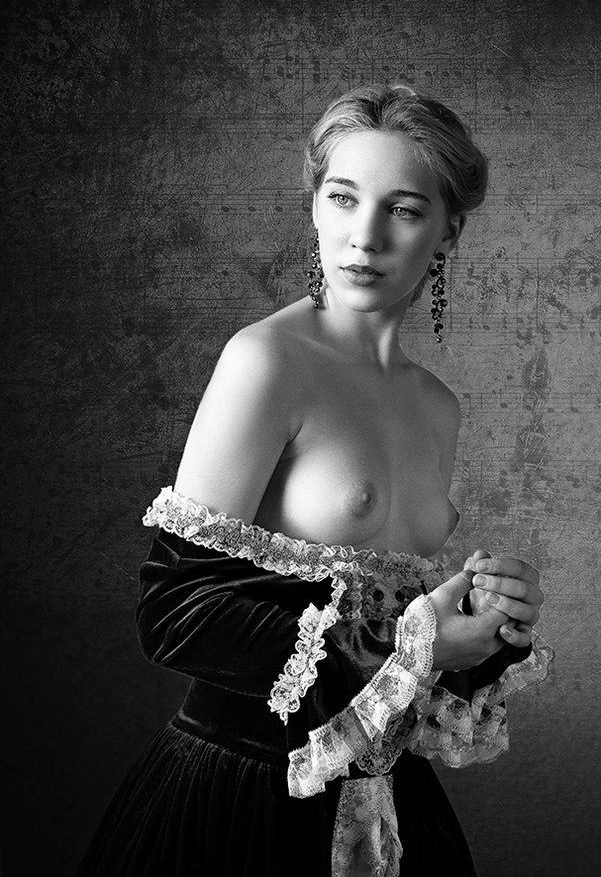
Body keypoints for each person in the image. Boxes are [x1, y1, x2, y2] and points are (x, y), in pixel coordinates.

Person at [75, 84, 552, 877]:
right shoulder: (267, 360)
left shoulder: (438, 408)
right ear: (315, 208)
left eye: (403, 210)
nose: (365, 236)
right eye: (342, 198)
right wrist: (415, 644)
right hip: (244, 799)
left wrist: (485, 625)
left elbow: (394, 654)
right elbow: (172, 611)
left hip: (390, 807)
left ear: (446, 231)